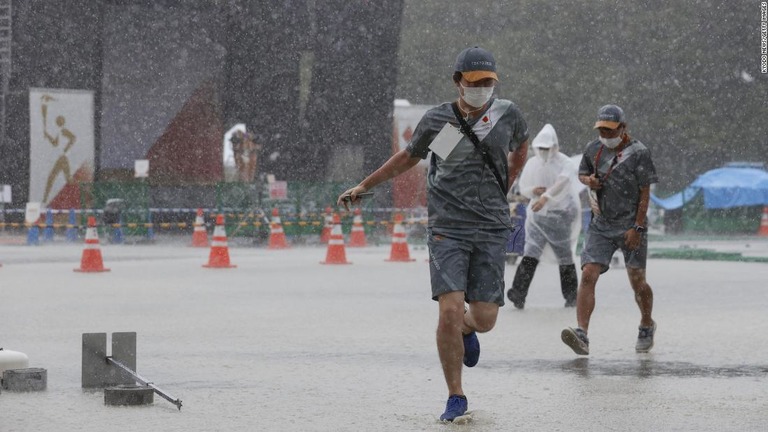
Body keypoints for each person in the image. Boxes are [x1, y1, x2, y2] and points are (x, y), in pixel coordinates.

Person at [337, 46, 528, 422]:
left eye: (488, 82)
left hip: (490, 225)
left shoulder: (507, 113)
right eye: (474, 82)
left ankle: (468, 332)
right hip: (447, 227)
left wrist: (511, 178)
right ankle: (455, 395)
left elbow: (520, 146)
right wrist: (364, 184)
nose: (481, 88)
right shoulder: (440, 120)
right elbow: (409, 157)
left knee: (485, 318)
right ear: (458, 82)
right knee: (449, 311)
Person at [561, 105, 658, 356]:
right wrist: (589, 181)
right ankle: (582, 333)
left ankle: (646, 323)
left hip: (630, 224)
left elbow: (645, 193)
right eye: (601, 129)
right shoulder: (593, 149)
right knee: (588, 273)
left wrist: (637, 227)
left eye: (610, 130)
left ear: (623, 128)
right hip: (601, 224)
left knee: (637, 281)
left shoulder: (639, 152)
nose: (605, 134)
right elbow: (582, 174)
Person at [506, 124, 581, 309]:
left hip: (560, 217)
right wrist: (534, 190)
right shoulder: (533, 163)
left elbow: (563, 183)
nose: (544, 152)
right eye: (540, 148)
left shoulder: (565, 162)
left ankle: (572, 296)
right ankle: (518, 293)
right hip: (538, 218)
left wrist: (546, 197)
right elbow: (524, 186)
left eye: (547, 148)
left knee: (564, 256)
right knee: (531, 252)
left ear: (555, 147)